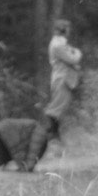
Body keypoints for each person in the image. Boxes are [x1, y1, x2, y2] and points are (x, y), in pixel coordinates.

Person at [23, 18, 82, 171]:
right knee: (55, 110)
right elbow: (73, 57)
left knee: (57, 110)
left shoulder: (61, 43)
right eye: (67, 28)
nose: (69, 31)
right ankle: (50, 137)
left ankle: (52, 136)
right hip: (62, 79)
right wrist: (77, 53)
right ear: (63, 29)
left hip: (64, 79)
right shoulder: (58, 44)